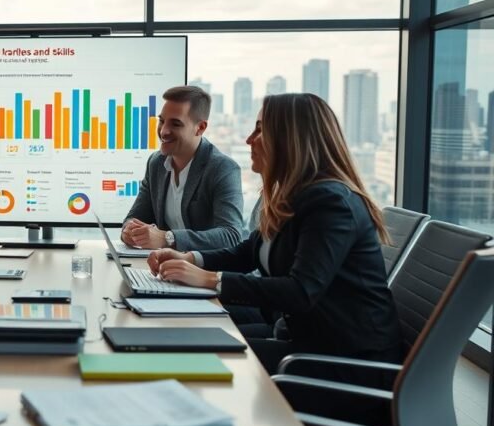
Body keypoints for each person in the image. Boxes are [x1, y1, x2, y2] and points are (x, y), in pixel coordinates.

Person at [147, 93, 401, 374]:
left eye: (260, 129)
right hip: (303, 336)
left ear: (289, 139)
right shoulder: (293, 195)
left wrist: (209, 279)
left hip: (347, 360)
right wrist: (190, 259)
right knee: (188, 334)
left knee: (196, 355)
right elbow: (246, 254)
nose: (249, 140)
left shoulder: (330, 203)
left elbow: (300, 291)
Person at [120, 85, 243, 251]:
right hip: (165, 269)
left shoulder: (222, 168)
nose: (163, 131)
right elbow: (135, 217)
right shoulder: (156, 163)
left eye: (175, 124)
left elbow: (231, 235)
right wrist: (129, 230)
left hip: (205, 271)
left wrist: (168, 238)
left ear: (200, 128)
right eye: (162, 121)